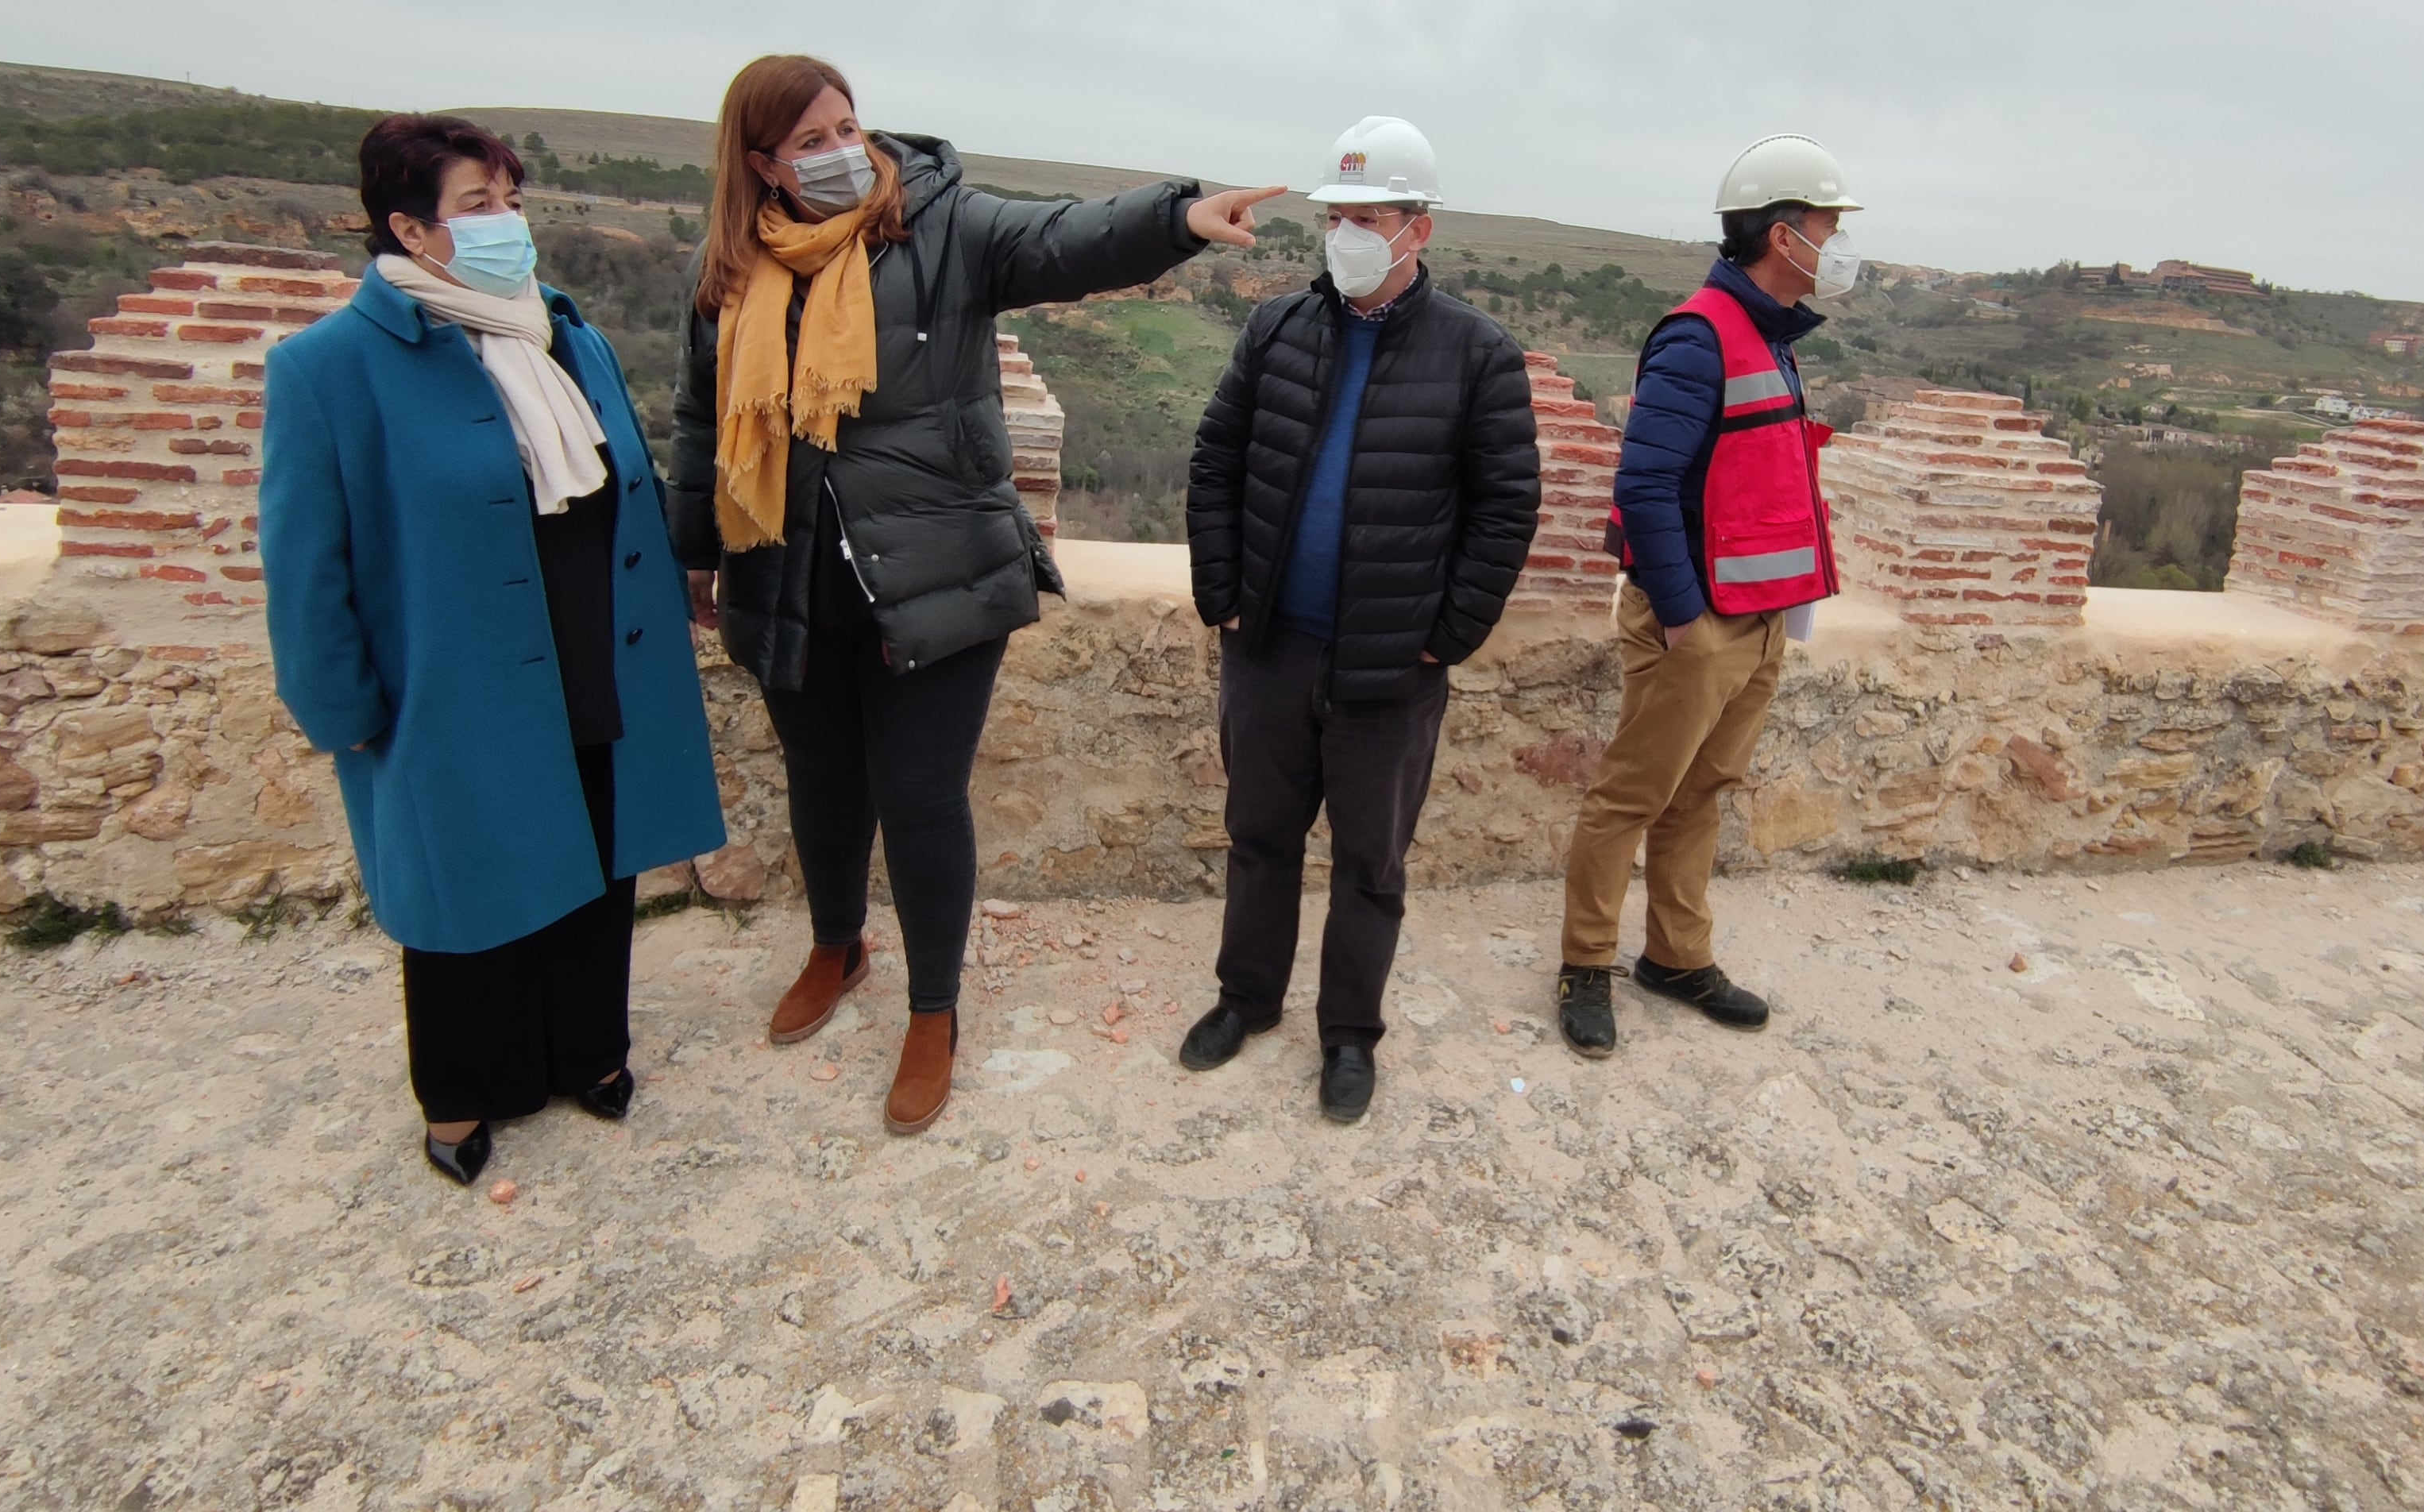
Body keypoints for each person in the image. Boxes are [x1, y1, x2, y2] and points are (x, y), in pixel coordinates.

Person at [668, 56, 1279, 1136]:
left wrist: (1181, 215)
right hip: (792, 566)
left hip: (940, 568)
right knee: (821, 781)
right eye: (810, 141)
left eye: (848, 126)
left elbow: (1066, 240)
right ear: (760, 161)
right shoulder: (734, 269)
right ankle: (835, 944)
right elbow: (696, 419)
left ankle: (932, 1011)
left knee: (917, 797)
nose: (840, 152)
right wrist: (698, 552)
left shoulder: (941, 228)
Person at [263, 114, 727, 1184]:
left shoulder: (567, 338)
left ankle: (589, 1054)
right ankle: (466, 1094)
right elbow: (305, 566)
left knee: (597, 864)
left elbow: (627, 493)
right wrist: (344, 712)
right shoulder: (329, 369)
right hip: (450, 690)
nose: (506, 222)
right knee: (463, 892)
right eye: (478, 205)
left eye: (510, 200)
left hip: (592, 655)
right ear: (410, 229)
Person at [1178, 117, 1542, 1122]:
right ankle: (1246, 1000)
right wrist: (1223, 594)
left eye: (1365, 216)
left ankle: (1348, 1036)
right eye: (1334, 215)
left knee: (1370, 862)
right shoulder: (1278, 330)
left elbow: (1507, 505)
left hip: (1391, 664)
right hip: (1269, 648)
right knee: (1259, 835)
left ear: (1416, 230)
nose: (1344, 233)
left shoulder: (1476, 353)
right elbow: (1216, 460)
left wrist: (1450, 632)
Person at [1554, 134, 1859, 1059]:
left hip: (1759, 617)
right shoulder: (1698, 337)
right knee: (1632, 795)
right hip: (1699, 623)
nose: (1839, 242)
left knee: (1702, 793)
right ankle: (1585, 964)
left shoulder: (1768, 334)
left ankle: (1677, 958)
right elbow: (1644, 486)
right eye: (1827, 224)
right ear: (1781, 233)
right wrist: (1685, 619)